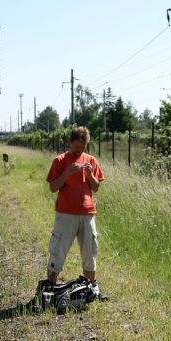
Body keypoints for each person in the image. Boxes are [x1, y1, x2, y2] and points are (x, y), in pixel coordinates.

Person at [46, 126, 108, 300]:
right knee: (58, 251)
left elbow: (96, 187)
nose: (79, 150)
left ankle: (91, 291)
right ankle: (49, 290)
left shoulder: (91, 160)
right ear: (69, 142)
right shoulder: (59, 161)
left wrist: (89, 175)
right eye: (76, 147)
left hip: (87, 213)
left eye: (82, 147)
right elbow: (53, 187)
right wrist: (67, 172)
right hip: (65, 214)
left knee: (90, 252)